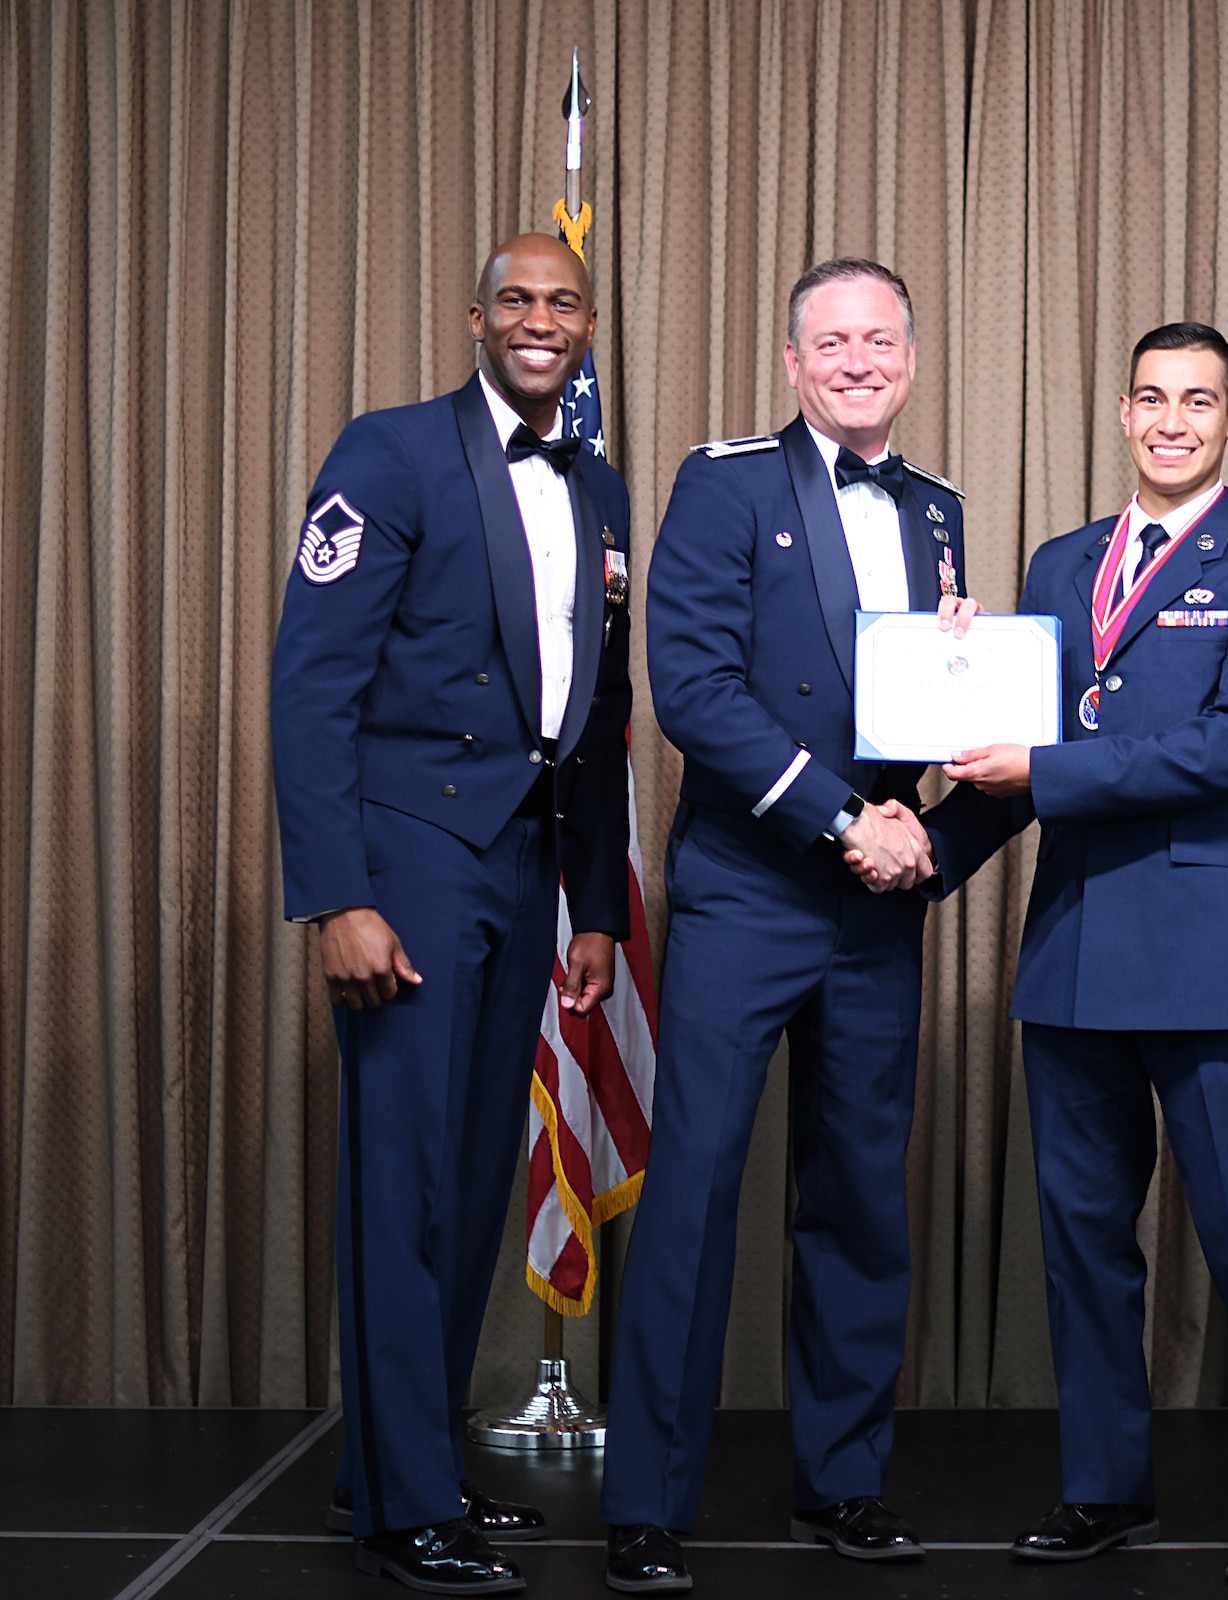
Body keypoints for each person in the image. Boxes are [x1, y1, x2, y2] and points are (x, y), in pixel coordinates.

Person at [873, 323, 1228, 1585]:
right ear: (1122, 412)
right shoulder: (1060, 563)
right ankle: (1103, 1487)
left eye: (1199, 401)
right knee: (1082, 1238)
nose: (1171, 420)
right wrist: (913, 853)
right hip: (1074, 947)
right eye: (1150, 398)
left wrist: (1041, 766)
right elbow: (1016, 761)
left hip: (1205, 948)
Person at [599, 258, 979, 1594]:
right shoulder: (725, 483)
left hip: (875, 905)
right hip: (753, 891)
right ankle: (644, 1498)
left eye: (881, 339)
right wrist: (843, 818)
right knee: (695, 1189)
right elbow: (695, 689)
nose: (859, 359)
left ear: (912, 359)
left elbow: (914, 706)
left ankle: (847, 1479)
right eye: (834, 340)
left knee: (862, 1199)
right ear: (792, 358)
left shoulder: (938, 510)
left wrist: (952, 724)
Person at [270, 233, 634, 1594]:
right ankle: (407, 1504)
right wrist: (337, 898)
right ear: (475, 316)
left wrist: (594, 902)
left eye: (564, 302)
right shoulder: (392, 450)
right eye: (518, 300)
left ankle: (395, 1466)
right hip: (410, 861)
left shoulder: (597, 479)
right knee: (403, 1180)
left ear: (587, 324)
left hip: (528, 866)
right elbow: (311, 684)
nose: (541, 320)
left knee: (477, 1179)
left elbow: (602, 712)